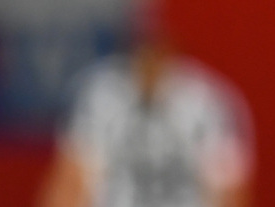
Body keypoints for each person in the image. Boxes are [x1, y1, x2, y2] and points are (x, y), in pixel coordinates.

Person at [38, 36, 254, 207]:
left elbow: (229, 189)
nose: (150, 69)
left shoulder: (208, 102)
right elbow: (71, 180)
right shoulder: (101, 97)